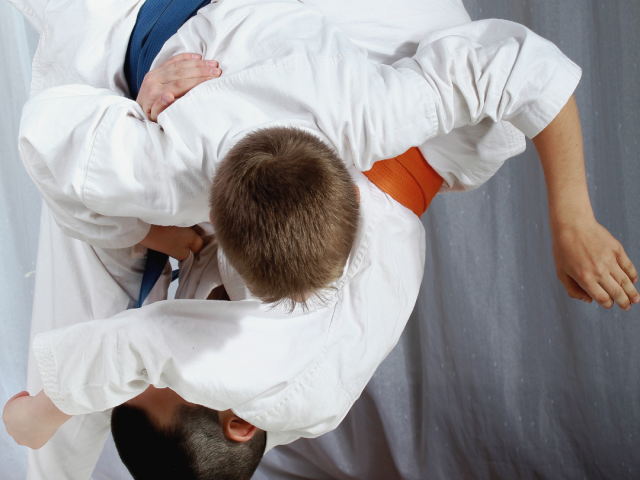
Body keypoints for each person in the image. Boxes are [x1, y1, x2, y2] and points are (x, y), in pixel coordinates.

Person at [3, 1, 638, 479]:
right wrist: (572, 220)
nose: (174, 325)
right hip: (316, 87)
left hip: (352, 126)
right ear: (240, 418)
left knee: (113, 232)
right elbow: (131, 348)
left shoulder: (280, 402)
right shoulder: (281, 368)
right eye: (169, 371)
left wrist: (149, 205)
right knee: (111, 217)